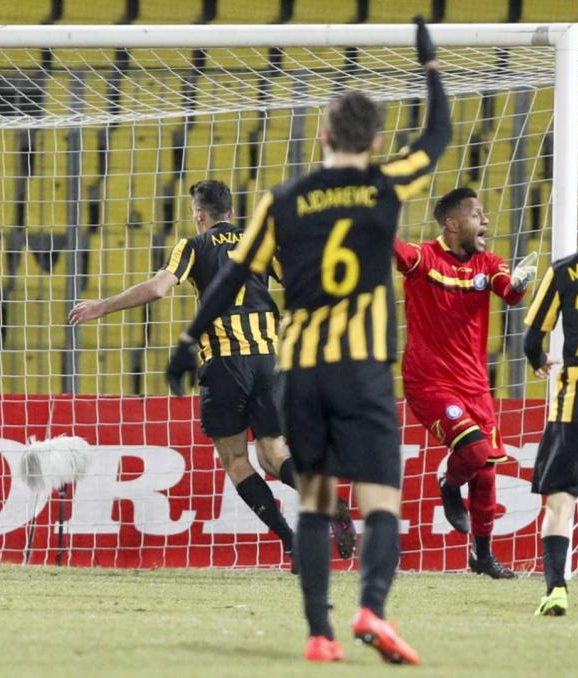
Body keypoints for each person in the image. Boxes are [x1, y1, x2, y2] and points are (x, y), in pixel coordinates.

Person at [166, 17, 449, 665]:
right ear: (376, 140)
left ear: (322, 135)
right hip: (364, 368)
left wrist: (189, 337)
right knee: (379, 498)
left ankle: (320, 634)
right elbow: (437, 135)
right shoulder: (386, 182)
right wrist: (430, 67)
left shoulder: (282, 200)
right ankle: (371, 608)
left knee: (316, 501)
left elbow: (230, 277)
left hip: (303, 367)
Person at [70, 179, 356, 566]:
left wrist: (102, 306)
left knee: (236, 459)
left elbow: (157, 289)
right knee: (274, 454)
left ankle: (291, 542)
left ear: (199, 214)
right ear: (232, 213)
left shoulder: (193, 245)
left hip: (224, 362)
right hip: (267, 360)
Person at [394, 187, 534, 579]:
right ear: (452, 225)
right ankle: (448, 484)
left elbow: (509, 294)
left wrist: (520, 282)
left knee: (486, 472)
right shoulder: (425, 258)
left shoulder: (489, 262)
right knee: (473, 453)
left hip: (474, 386)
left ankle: (482, 556)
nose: (485, 220)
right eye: (477, 215)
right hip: (430, 382)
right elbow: (400, 253)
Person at [523, 184, 578, 616]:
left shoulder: (562, 270)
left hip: (573, 401)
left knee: (560, 500)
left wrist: (538, 360)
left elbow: (531, 338)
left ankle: (556, 590)